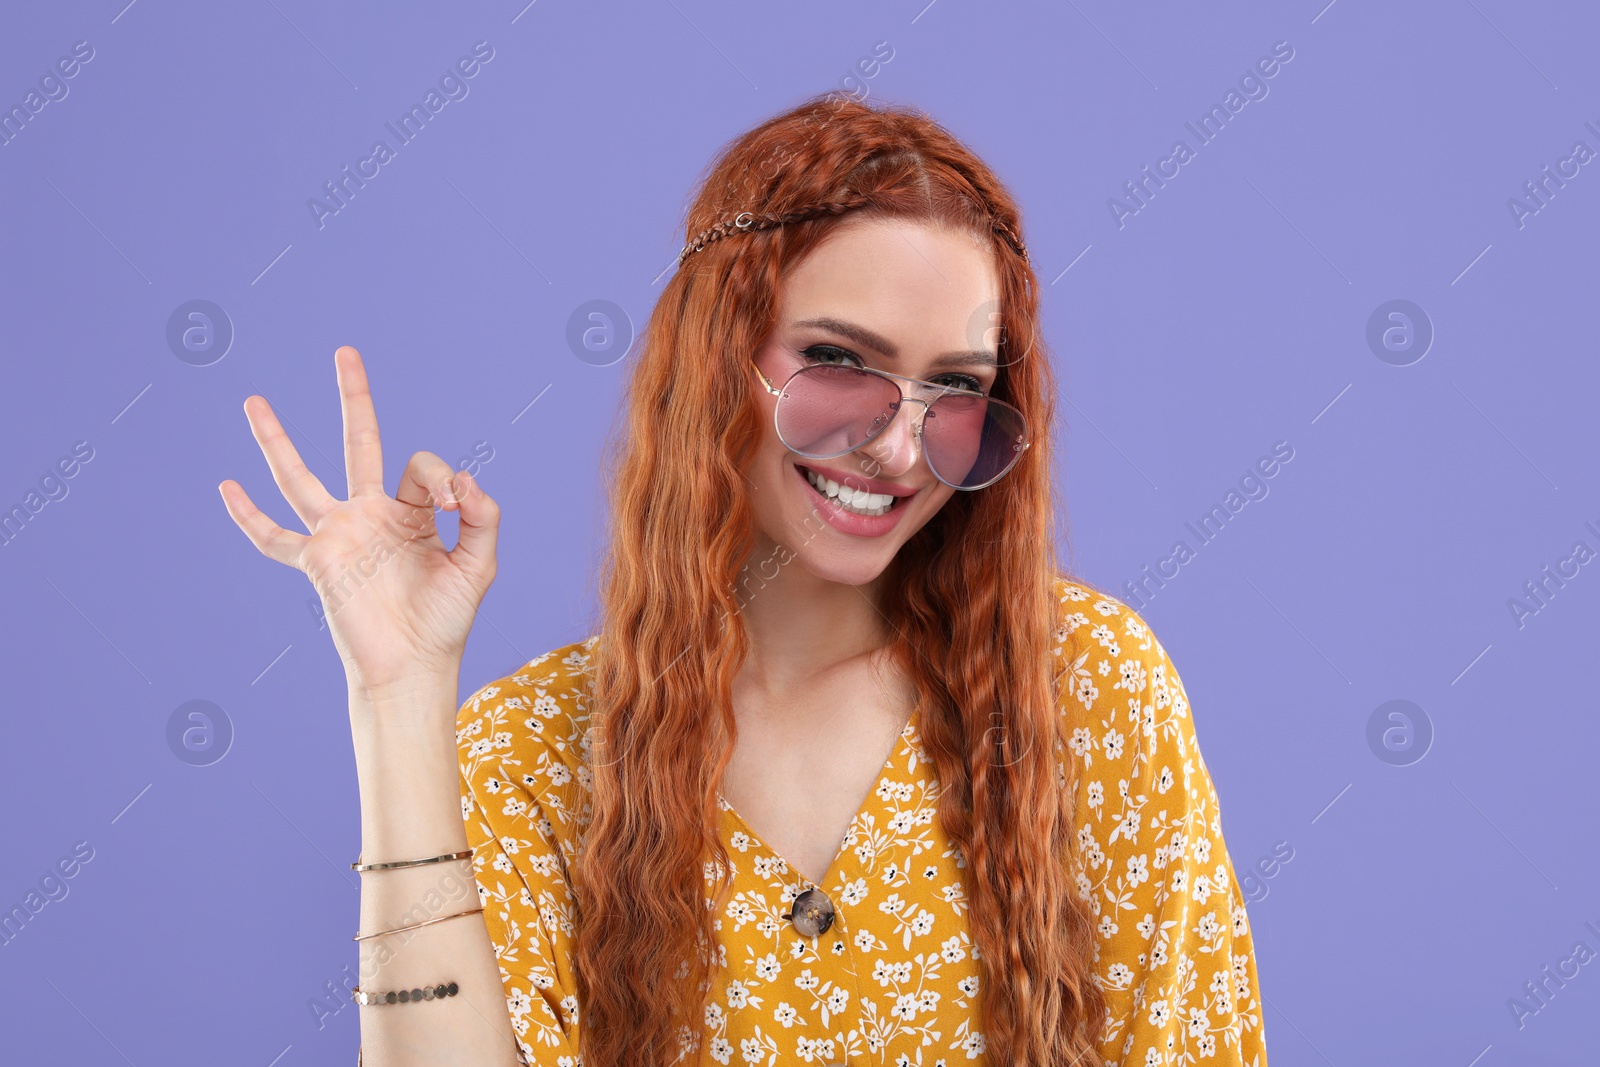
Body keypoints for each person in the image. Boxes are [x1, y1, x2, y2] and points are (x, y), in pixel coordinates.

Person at [219, 93, 1266, 1067]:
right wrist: (397, 697)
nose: (897, 450)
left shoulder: (1085, 687)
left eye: (953, 389)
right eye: (838, 365)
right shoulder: (527, 756)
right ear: (719, 351)